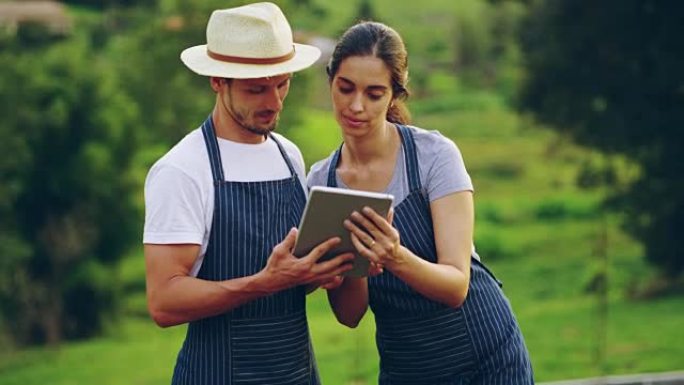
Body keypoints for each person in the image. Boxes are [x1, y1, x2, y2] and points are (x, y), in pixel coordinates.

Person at [307, 21, 535, 384]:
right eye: (345, 88)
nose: (356, 106)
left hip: (484, 355)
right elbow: (350, 316)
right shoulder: (321, 183)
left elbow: (456, 285)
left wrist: (394, 257)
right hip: (407, 365)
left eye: (374, 93)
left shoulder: (434, 156)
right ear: (330, 80)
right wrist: (338, 274)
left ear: (395, 95)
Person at [143, 3, 354, 384]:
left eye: (282, 83)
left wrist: (323, 269)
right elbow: (164, 302)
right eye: (256, 89)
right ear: (217, 81)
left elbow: (290, 279)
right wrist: (264, 281)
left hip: (298, 373)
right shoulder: (183, 170)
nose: (274, 102)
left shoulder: (288, 154)